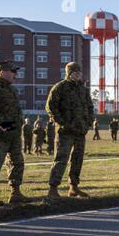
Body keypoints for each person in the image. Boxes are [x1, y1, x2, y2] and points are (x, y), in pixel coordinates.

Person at [45, 62, 94, 202]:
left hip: (80, 132)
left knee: (77, 160)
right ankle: (53, 189)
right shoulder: (60, 87)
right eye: (75, 72)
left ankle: (73, 187)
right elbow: (50, 107)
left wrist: (87, 123)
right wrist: (62, 123)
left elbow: (90, 108)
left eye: (79, 72)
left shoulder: (83, 90)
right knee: (61, 160)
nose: (78, 75)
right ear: (68, 73)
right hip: (65, 132)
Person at [0, 60, 30, 205]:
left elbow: (15, 109)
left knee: (17, 162)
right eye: (13, 71)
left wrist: (19, 121)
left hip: (14, 132)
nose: (15, 74)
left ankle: (15, 193)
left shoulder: (12, 89)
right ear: (3, 72)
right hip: (0, 132)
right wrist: (2, 124)